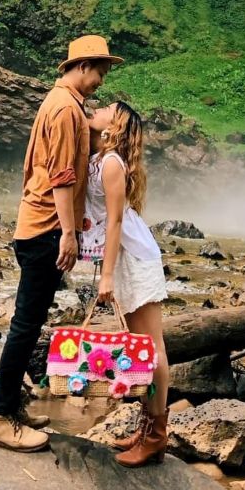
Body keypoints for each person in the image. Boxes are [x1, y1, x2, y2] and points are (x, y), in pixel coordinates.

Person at [0, 33, 123, 452]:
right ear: (82, 66)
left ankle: (11, 408)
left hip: (38, 225)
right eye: (100, 71)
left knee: (28, 324)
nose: (101, 80)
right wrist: (68, 232)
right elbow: (62, 177)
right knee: (25, 328)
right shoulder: (64, 110)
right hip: (45, 228)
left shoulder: (66, 105)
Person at [81, 99, 170, 467]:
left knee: (152, 347)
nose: (97, 108)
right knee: (142, 345)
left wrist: (106, 275)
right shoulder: (101, 158)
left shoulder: (113, 164)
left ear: (113, 125)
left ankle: (157, 435)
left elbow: (115, 222)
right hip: (124, 256)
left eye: (105, 109)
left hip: (134, 257)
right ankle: (147, 425)